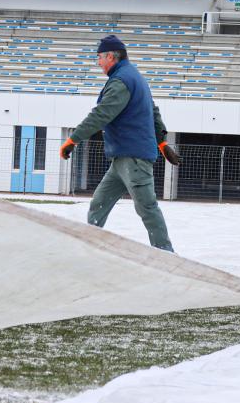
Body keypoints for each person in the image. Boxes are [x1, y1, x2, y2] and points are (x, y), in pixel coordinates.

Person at [59, 35, 180, 251]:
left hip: (133, 159)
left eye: (99, 57)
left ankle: (165, 252)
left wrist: (72, 139)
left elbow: (102, 114)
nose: (98, 62)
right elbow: (153, 112)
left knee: (147, 207)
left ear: (111, 57)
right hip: (121, 159)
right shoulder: (135, 77)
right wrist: (162, 144)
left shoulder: (122, 81)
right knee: (99, 203)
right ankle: (89, 245)